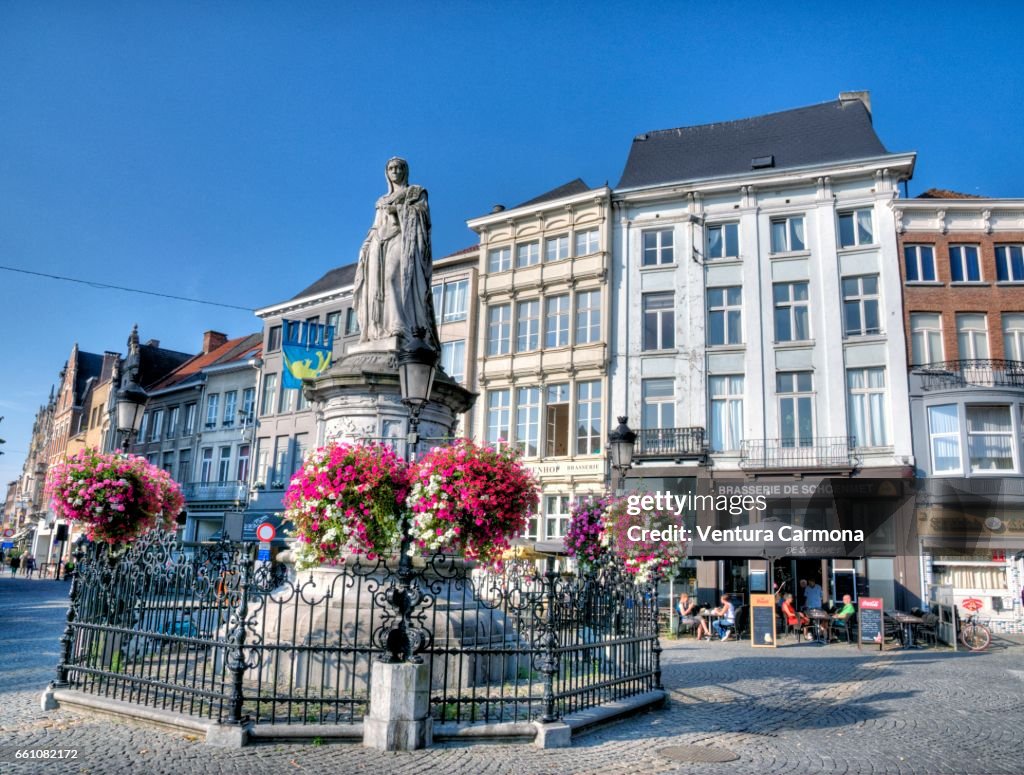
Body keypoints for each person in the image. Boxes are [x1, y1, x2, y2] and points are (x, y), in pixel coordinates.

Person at [353, 157, 439, 349]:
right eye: (391, 168)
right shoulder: (381, 200)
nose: (395, 171)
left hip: (402, 238)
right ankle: (376, 330)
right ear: (387, 172)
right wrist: (366, 245)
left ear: (405, 171)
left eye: (399, 168)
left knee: (394, 278)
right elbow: (376, 226)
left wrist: (398, 210)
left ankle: (399, 325)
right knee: (376, 286)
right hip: (379, 243)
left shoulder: (415, 192)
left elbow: (423, 216)